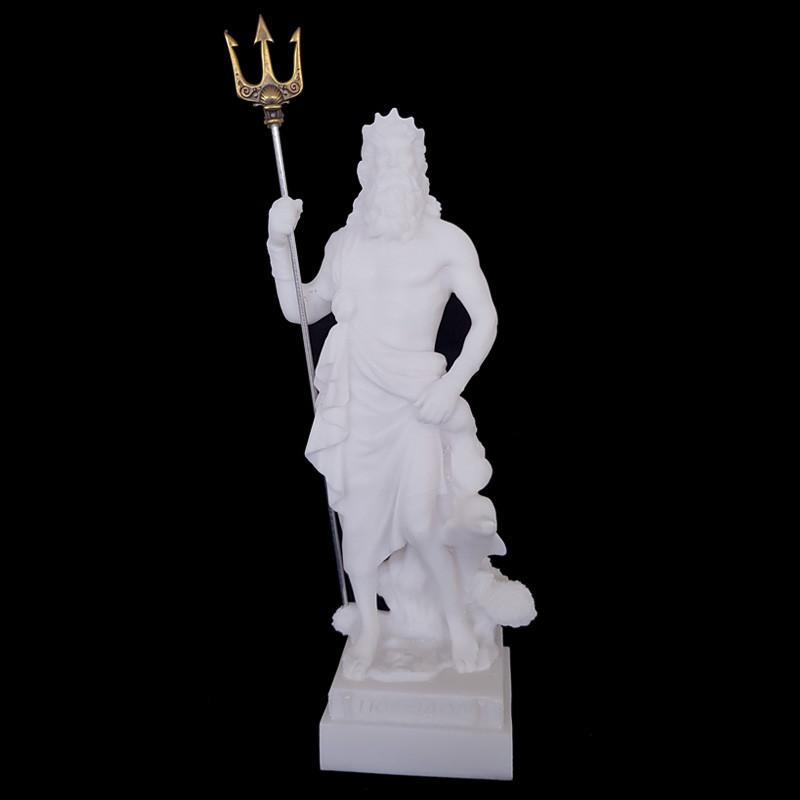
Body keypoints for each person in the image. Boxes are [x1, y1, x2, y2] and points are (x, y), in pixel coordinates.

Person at [267, 109, 529, 680]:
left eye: (401, 161)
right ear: (366, 170)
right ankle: (368, 627)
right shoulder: (345, 243)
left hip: (416, 403)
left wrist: (451, 386)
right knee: (359, 529)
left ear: (418, 169)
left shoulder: (446, 241)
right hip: (359, 401)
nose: (392, 171)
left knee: (422, 521)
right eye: (381, 161)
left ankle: (457, 628)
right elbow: (302, 310)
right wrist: (278, 243)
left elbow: (485, 321)